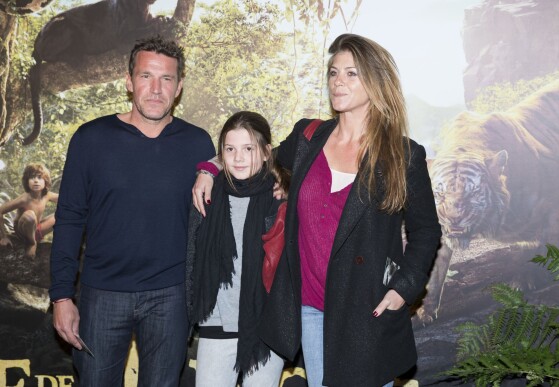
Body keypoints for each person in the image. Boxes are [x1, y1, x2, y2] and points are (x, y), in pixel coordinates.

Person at [193, 33, 442, 387]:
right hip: (311, 309)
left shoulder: (404, 156)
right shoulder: (308, 137)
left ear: (376, 81)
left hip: (366, 310)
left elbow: (426, 231)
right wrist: (209, 167)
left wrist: (403, 289)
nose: (338, 81)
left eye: (351, 73)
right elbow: (250, 155)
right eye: (333, 72)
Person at [49, 36, 216, 386]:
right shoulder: (90, 139)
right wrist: (62, 296)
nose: (156, 89)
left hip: (171, 296)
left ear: (179, 86)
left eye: (166, 79)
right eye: (146, 76)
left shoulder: (198, 143)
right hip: (102, 295)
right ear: (129, 81)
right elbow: (68, 219)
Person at [186, 111, 287, 386]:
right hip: (216, 321)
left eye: (248, 149)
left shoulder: (281, 197)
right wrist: (209, 168)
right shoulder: (207, 193)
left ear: (267, 152)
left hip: (264, 325)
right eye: (230, 149)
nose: (238, 157)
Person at [0, 163, 58, 258]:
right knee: (30, 215)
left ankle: (34, 239)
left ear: (45, 181)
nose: (36, 181)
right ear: (27, 181)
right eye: (32, 178)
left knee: (65, 213)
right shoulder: (24, 198)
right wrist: (3, 237)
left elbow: (68, 201)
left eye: (39, 178)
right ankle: (31, 243)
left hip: (37, 230)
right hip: (22, 233)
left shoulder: (47, 195)